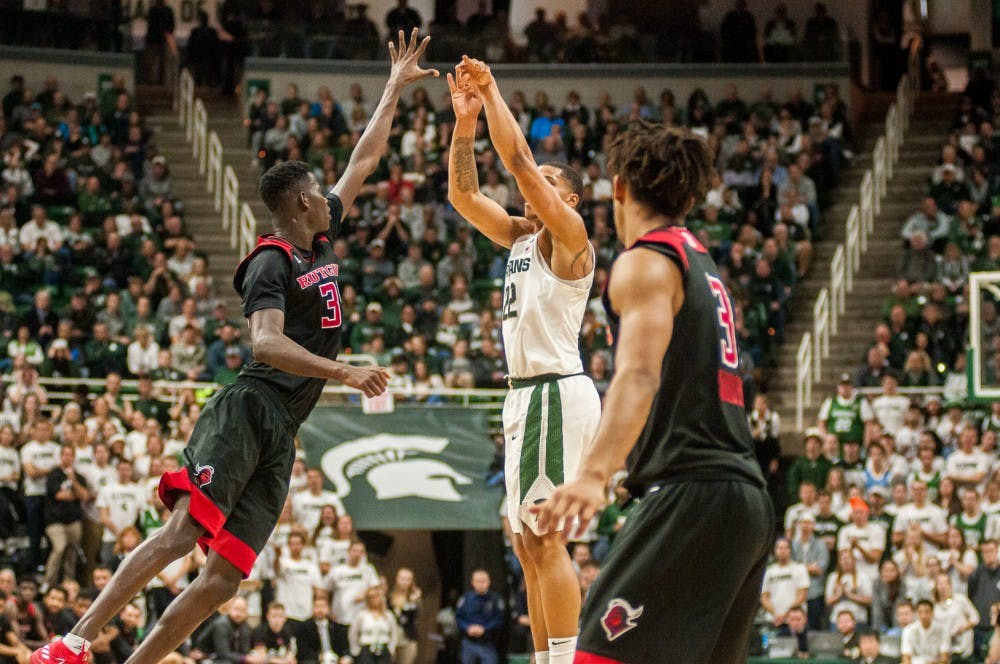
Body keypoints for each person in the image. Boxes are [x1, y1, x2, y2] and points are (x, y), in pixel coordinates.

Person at [29, 29, 437, 664]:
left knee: (223, 580)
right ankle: (72, 643)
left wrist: (392, 89)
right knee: (179, 534)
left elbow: (364, 160)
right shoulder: (271, 262)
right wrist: (345, 371)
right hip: (249, 407)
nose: (333, 196)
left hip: (283, 428)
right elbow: (267, 343)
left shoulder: (320, 237)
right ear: (303, 202)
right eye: (320, 192)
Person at [531, 118, 772, 662]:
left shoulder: (645, 261)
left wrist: (594, 475)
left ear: (618, 187)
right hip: (746, 501)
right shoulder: (704, 264)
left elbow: (639, 374)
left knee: (594, 653)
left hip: (695, 495)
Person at [448, 57, 601, 664]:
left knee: (546, 535)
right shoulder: (518, 237)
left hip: (553, 392)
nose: (530, 184)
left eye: (544, 180)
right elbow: (463, 194)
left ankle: (564, 660)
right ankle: (545, 657)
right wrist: (464, 125)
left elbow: (516, 163)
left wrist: (489, 91)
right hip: (525, 395)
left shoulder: (572, 237)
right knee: (525, 540)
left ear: (565, 197)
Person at [455, 570, 504, 664]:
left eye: (483, 581)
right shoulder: (465, 598)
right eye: (478, 581)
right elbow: (458, 617)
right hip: (469, 641)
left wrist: (484, 629)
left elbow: (499, 619)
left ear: (489, 582)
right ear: (472, 582)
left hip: (487, 642)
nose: (481, 584)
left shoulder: (495, 599)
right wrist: (467, 628)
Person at [760, 538, 809, 628]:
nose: (783, 551)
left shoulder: (800, 569)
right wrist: (776, 613)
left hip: (795, 620)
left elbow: (802, 595)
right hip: (773, 619)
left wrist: (787, 613)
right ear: (775, 550)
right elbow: (764, 597)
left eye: (785, 548)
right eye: (780, 548)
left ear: (790, 550)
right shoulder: (768, 571)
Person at [901, 599, 950, 664]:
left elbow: (944, 658)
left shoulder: (942, 630)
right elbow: (906, 658)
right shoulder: (908, 630)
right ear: (916, 613)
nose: (923, 616)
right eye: (920, 612)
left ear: (932, 613)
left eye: (927, 612)